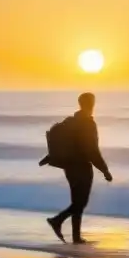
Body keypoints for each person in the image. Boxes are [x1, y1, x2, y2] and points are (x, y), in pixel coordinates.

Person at [45, 92, 113, 243]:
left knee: (77, 200)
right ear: (92, 104)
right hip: (81, 167)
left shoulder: (70, 121)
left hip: (69, 167)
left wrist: (51, 157)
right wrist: (105, 170)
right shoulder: (88, 123)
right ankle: (57, 221)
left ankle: (76, 236)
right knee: (80, 202)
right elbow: (92, 151)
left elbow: (61, 143)